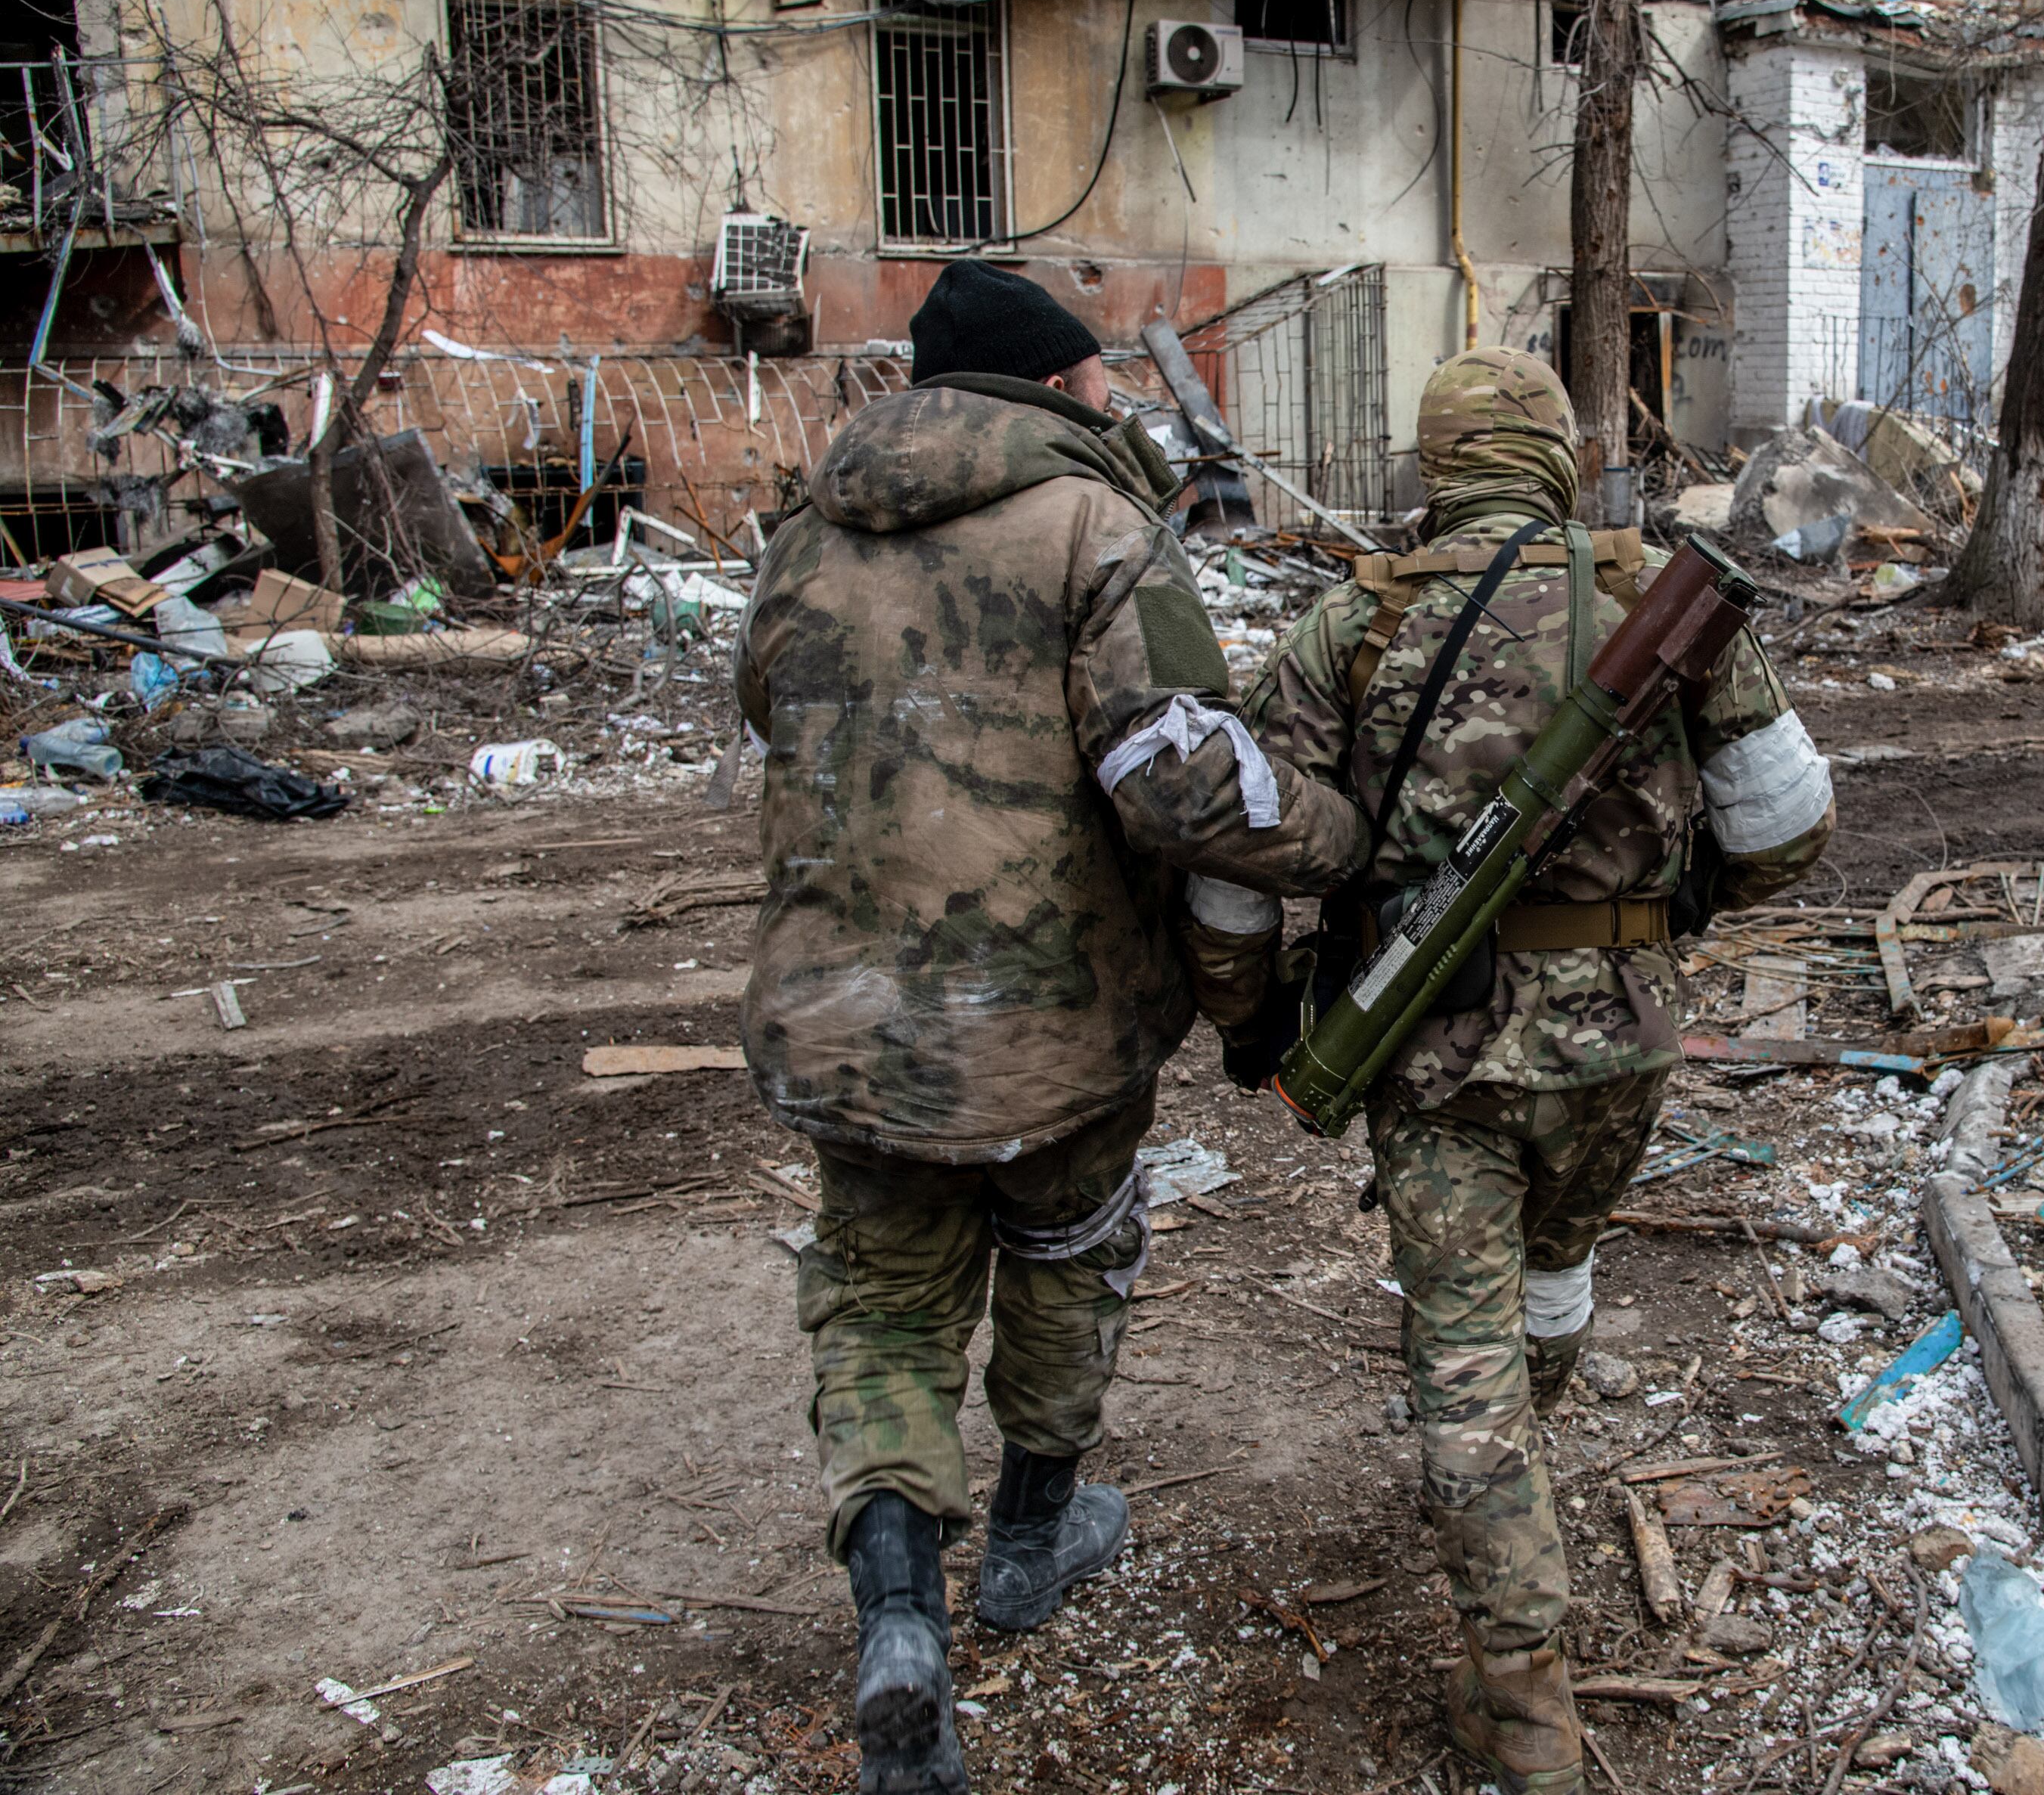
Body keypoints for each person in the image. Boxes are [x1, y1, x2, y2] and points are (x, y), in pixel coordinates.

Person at [734, 259, 1365, 1795]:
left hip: (847, 1026)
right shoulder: (1097, 524)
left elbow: (772, 710)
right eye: (1100, 373)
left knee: (880, 1307)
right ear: (1065, 382)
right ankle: (1030, 1532)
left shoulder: (802, 533)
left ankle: (899, 1613)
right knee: (1072, 1257)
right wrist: (1341, 839)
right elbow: (1179, 780)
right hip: (1055, 1030)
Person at [1186, 349, 1837, 1795]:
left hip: (1430, 1046)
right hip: (1625, 1038)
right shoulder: (1662, 599)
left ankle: (1524, 1700)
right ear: (1554, 452)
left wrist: (1247, 1024)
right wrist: (1663, 923)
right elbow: (1789, 826)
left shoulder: (1352, 622)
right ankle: (1511, 1488)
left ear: (1433, 466)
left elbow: (1234, 863)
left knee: (1461, 1356)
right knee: (1555, 1276)